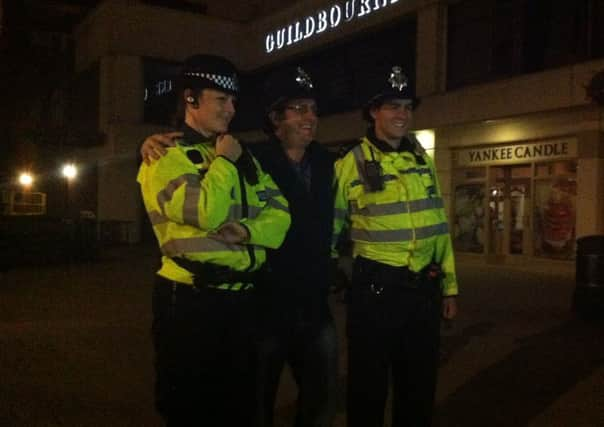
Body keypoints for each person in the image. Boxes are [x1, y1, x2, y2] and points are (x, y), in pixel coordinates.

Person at [140, 66, 339, 427]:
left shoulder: (322, 162)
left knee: (248, 405)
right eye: (221, 99)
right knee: (193, 407)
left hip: (263, 299)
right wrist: (227, 162)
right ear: (190, 99)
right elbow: (208, 212)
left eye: (233, 100)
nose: (230, 109)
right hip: (198, 298)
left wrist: (248, 231)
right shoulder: (179, 155)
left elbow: (280, 217)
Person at [332, 66, 459, 427]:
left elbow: (438, 226)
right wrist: (329, 271)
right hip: (376, 290)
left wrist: (449, 286)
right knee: (367, 390)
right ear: (373, 112)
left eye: (406, 106)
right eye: (393, 106)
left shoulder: (422, 159)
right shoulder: (350, 161)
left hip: (424, 290)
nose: (402, 114)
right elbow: (331, 224)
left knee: (418, 389)